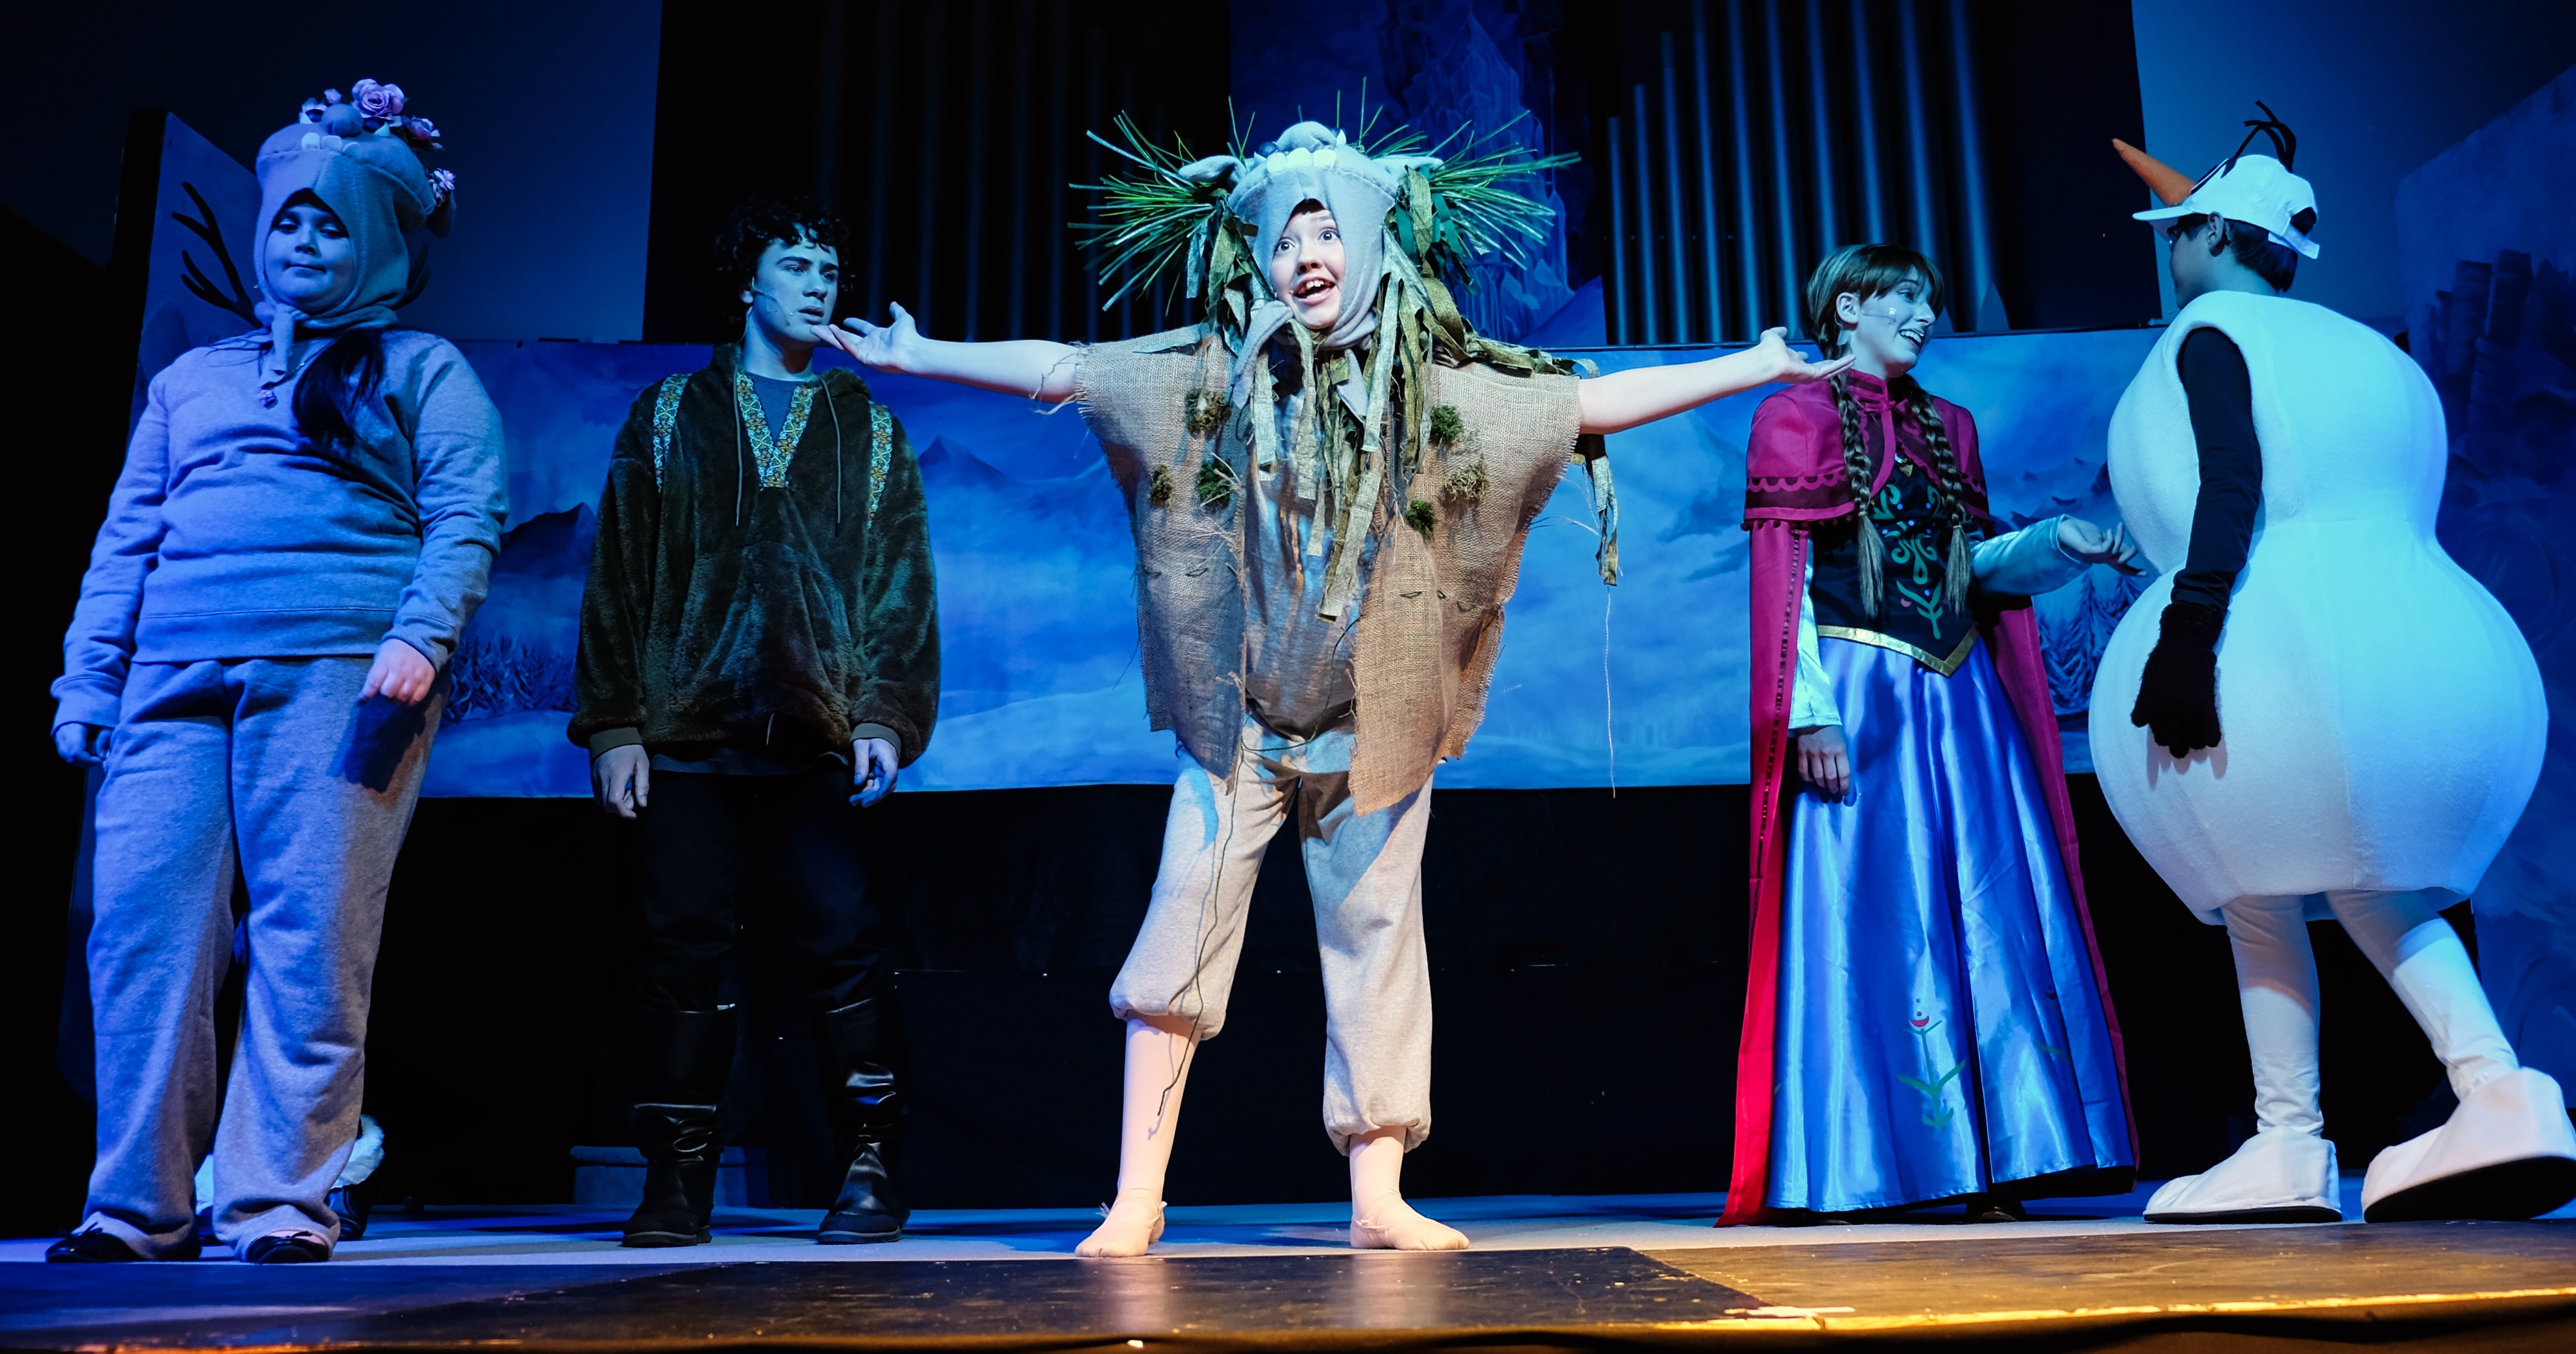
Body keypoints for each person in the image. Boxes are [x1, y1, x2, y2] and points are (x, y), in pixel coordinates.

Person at [826, 116, 1845, 1256]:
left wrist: (1756, 365)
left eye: (1326, 234)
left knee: (1376, 945)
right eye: (1285, 240)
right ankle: (1136, 1196)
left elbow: (1581, 403)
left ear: (1369, 240)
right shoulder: (1218, 376)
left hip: (1374, 728)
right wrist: (921, 354)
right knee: (1177, 935)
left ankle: (1377, 1200)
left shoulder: (1441, 387)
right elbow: (1069, 370)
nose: (1306, 257)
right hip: (1240, 726)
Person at [49, 83, 505, 1263]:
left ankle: (277, 1201)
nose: (302, 241)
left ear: (385, 244)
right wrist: (89, 679)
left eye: (332, 225)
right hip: (169, 676)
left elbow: (467, 516)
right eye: (288, 220)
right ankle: (134, 1206)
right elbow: (126, 538)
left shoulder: (421, 367)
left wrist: (419, 637)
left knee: (310, 938)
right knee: (139, 935)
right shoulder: (193, 379)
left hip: (342, 674)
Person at [2095, 113, 2573, 1222]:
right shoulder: (2369, 348)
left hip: (2280, 649)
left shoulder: (2209, 331)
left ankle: (2290, 1136)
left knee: (2257, 887)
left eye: (2181, 233)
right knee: (2371, 881)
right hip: (2442, 648)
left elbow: (2230, 481)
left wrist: (2189, 634)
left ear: (2218, 234)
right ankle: (2497, 1086)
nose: (2174, 254)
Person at [1721, 243, 2137, 1225]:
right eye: (1904, 296)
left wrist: (2057, 545)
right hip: (1862, 694)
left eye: (1929, 299)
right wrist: (1810, 713)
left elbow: (1967, 569)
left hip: (1959, 699)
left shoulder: (1949, 425)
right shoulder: (1794, 417)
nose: (1923, 314)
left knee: (1980, 909)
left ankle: (1994, 1157)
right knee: (1878, 911)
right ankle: (1868, 1161)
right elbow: (1786, 587)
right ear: (1847, 307)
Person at [572, 198, 939, 1248]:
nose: (820, 283)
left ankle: (870, 1165)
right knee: (680, 949)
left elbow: (901, 586)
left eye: (831, 268)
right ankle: (676, 1177)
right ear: (748, 281)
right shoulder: (666, 414)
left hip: (819, 734)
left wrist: (886, 714)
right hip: (689, 734)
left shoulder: (869, 426)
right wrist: (615, 726)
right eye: (797, 264)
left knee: (846, 945)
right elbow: (619, 573)